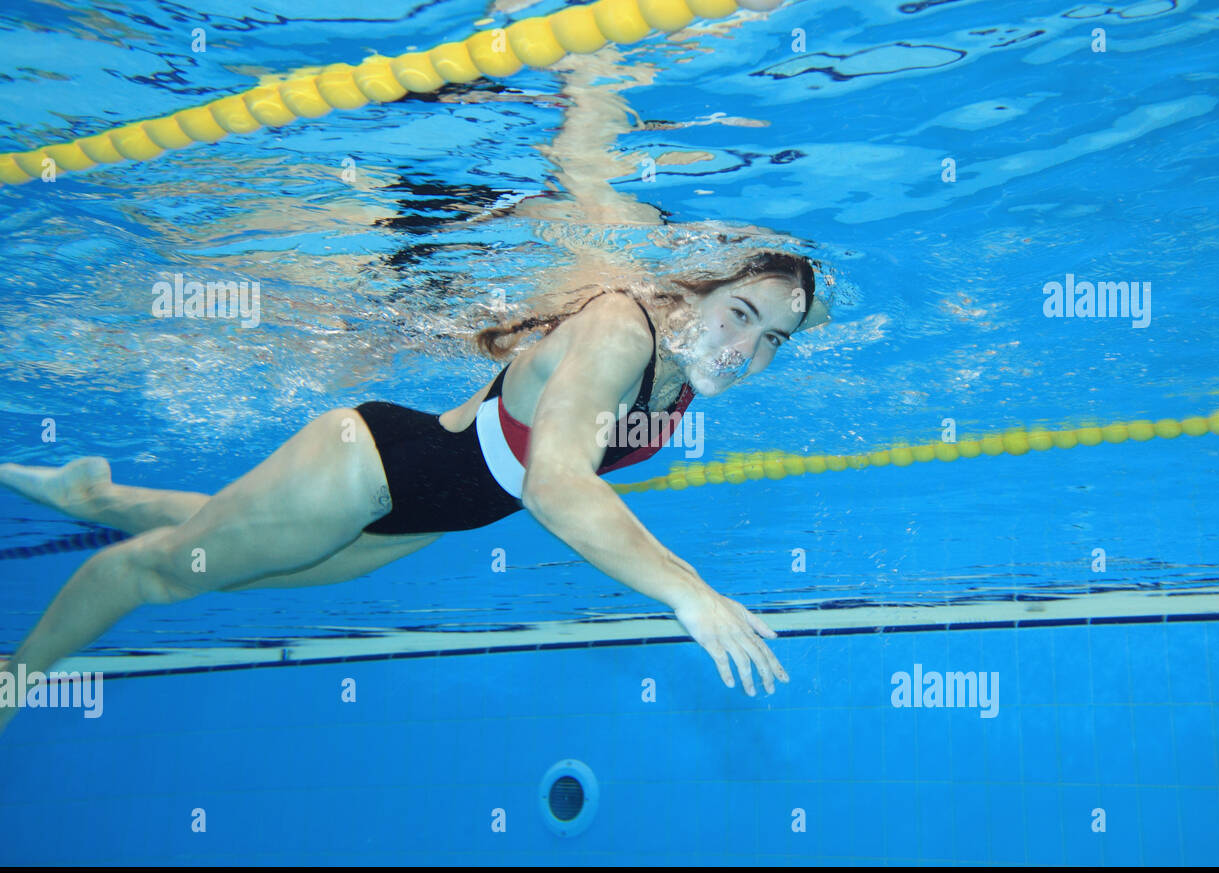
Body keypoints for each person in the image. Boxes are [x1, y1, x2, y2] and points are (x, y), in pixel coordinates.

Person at [0, 249, 829, 730]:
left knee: (235, 552)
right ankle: (16, 676)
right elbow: (554, 483)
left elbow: (791, 298)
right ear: (695, 286)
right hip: (366, 470)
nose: (745, 350)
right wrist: (690, 594)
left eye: (774, 340)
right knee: (159, 575)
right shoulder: (621, 331)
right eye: (741, 314)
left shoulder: (686, 372)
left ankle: (95, 496)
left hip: (419, 513)